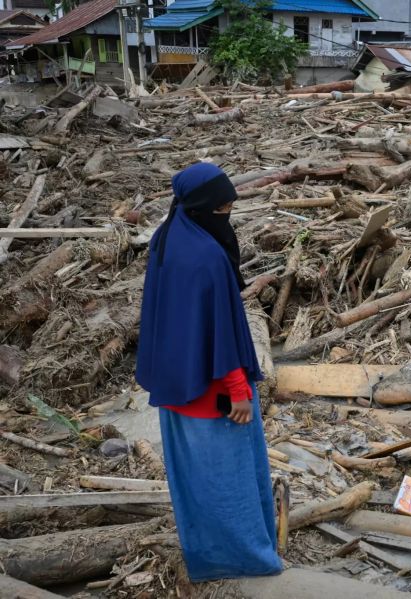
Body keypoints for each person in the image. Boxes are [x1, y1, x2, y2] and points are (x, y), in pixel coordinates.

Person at [136, 162, 282, 582]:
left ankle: (206, 556)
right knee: (229, 482)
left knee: (196, 485)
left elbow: (179, 322)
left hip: (177, 387)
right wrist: (239, 390)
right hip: (216, 395)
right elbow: (217, 327)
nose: (228, 215)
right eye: (224, 208)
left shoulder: (169, 238)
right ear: (204, 207)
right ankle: (249, 559)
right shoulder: (206, 258)